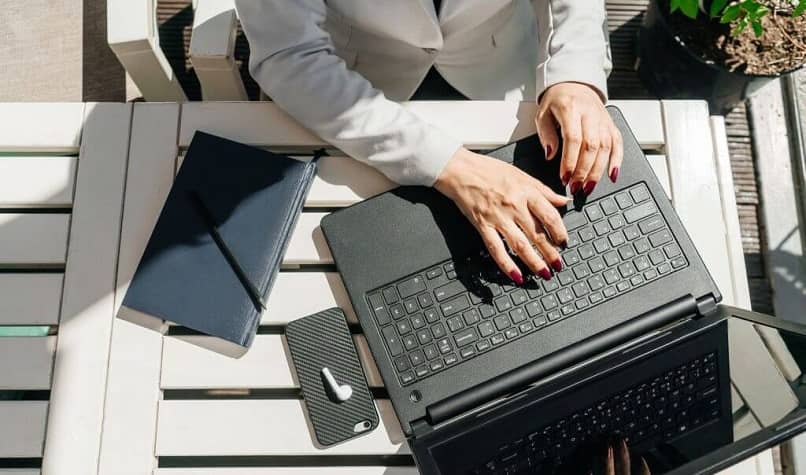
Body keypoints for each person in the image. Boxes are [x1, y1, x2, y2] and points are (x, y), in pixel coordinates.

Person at [236, 1, 622, 284]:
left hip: (499, 68)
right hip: (354, 90)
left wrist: (574, 74)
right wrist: (453, 167)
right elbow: (290, 56)